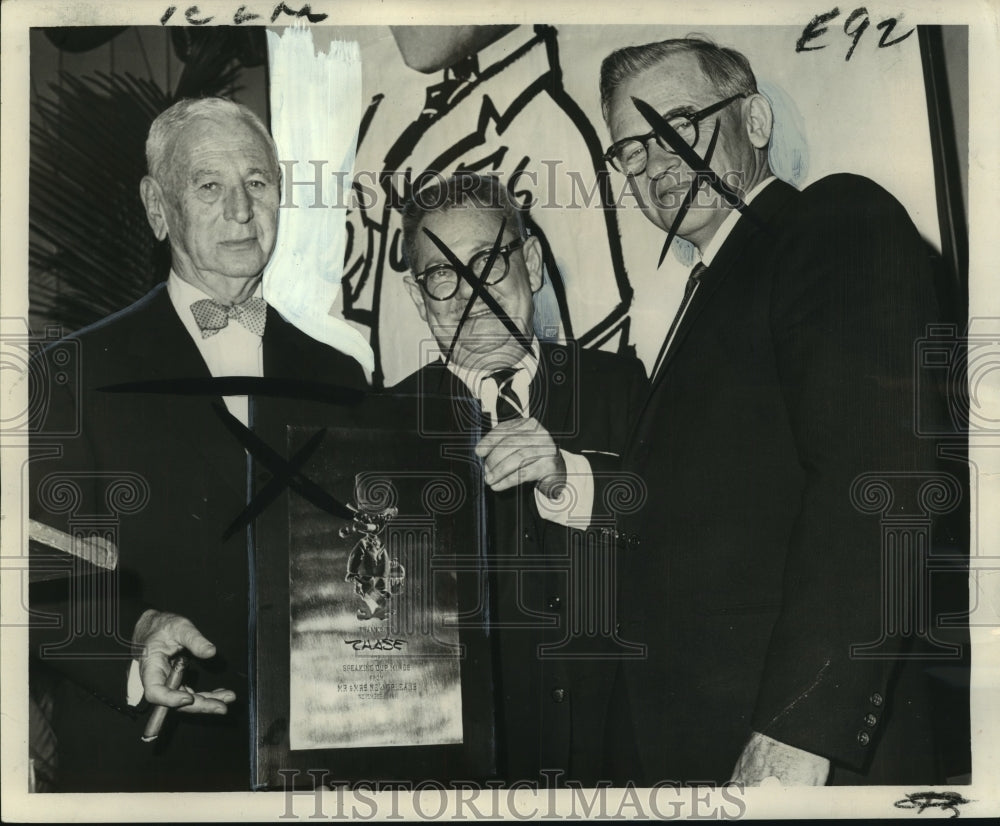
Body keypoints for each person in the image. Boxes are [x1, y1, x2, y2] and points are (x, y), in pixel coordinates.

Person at [593, 38, 963, 785]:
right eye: (631, 149)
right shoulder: (711, 289)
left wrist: (802, 729)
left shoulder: (834, 219)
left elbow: (878, 479)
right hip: (704, 750)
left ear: (755, 121)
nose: (655, 162)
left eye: (677, 124)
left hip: (796, 756)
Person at [29, 97, 367, 792]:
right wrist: (132, 642)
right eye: (209, 185)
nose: (241, 210)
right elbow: (32, 575)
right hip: (143, 770)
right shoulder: (70, 372)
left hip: (310, 767)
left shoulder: (340, 377)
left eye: (258, 182)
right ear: (158, 208)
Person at [392, 173, 648, 785]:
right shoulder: (385, 426)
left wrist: (569, 476)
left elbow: (681, 533)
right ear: (419, 297)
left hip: (621, 773)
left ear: (530, 263)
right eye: (442, 274)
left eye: (487, 261)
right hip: (464, 787)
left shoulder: (621, 387)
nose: (470, 295)